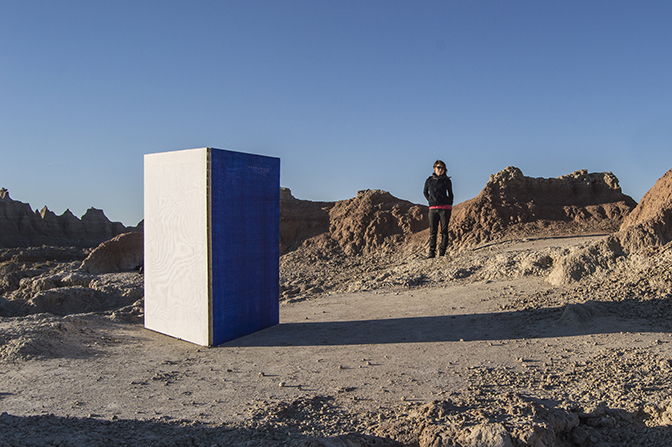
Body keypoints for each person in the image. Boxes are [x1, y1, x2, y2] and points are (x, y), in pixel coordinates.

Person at [423, 160, 454, 258]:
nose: (440, 170)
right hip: (433, 209)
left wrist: (449, 204)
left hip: (445, 208)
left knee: (444, 231)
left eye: (442, 168)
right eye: (439, 167)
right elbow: (425, 192)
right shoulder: (429, 180)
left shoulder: (446, 181)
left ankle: (442, 253)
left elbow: (451, 194)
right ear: (434, 168)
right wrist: (431, 201)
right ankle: (431, 252)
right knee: (433, 231)